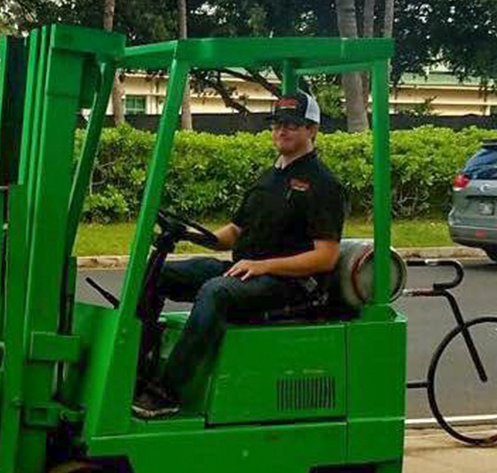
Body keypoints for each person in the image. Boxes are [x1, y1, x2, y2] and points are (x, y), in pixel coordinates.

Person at [132, 90, 345, 419]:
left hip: (292, 286)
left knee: (216, 291)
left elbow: (325, 257)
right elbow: (233, 234)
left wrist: (261, 266)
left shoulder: (322, 185)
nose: (282, 131)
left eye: (293, 124)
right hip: (249, 270)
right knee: (159, 272)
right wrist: (187, 235)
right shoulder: (270, 178)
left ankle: (167, 392)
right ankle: (134, 367)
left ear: (312, 130)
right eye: (278, 124)